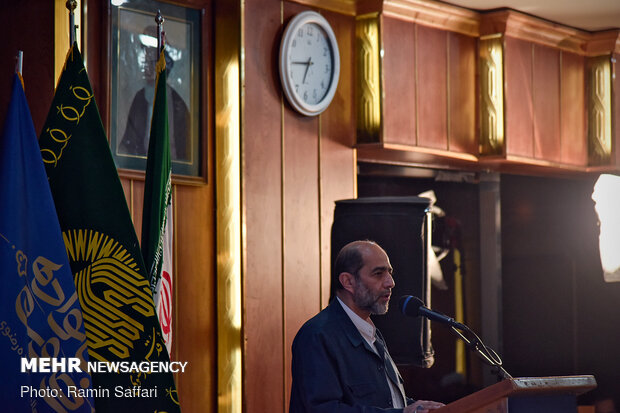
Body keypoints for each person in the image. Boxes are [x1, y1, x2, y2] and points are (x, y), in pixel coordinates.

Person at [289, 240, 445, 413]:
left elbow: (384, 401)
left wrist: (417, 407)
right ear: (348, 281)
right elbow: (323, 409)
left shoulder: (370, 332)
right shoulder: (318, 336)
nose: (390, 282)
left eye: (389, 273)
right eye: (378, 274)